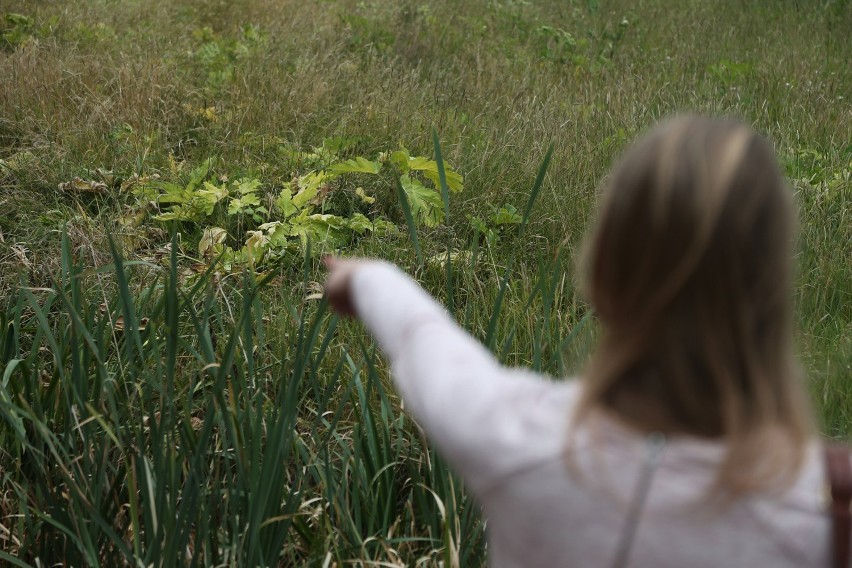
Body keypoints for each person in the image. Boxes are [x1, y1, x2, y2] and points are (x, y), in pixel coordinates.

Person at [322, 116, 834, 567]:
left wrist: (370, 279)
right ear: (771, 299)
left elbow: (430, 348)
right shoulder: (816, 513)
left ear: (603, 276)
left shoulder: (518, 440)